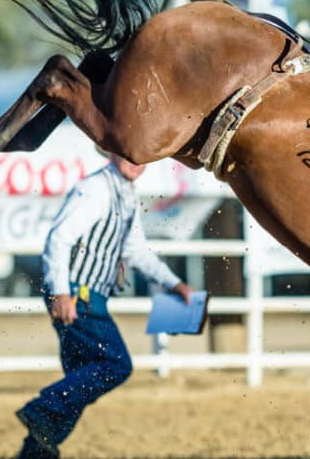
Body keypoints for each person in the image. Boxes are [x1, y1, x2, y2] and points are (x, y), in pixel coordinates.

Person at [15, 154, 193, 459]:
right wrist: (60, 292)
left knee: (81, 377)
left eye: (142, 155)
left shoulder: (123, 192)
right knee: (115, 364)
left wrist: (174, 283)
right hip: (78, 294)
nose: (137, 160)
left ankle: (38, 447)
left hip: (83, 293)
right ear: (111, 152)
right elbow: (59, 238)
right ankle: (41, 411)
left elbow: (135, 251)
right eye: (129, 153)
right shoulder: (96, 188)